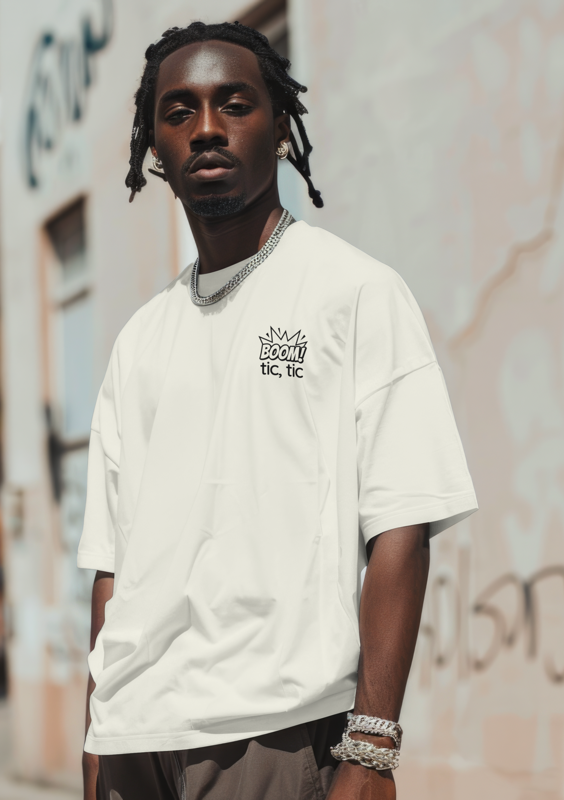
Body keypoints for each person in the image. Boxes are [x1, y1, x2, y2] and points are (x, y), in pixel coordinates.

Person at [78, 20, 477, 800]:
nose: (207, 128)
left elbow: (401, 525)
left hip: (271, 734)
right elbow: (111, 562)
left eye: (234, 104)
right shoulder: (140, 339)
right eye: (179, 112)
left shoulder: (353, 293)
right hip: (133, 742)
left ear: (282, 128)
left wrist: (372, 745)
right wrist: (97, 732)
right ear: (154, 147)